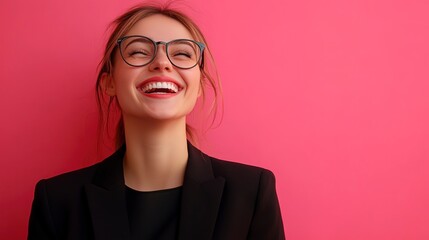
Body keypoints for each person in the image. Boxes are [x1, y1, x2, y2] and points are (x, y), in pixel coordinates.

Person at [28, 3, 285, 240]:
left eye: (182, 53)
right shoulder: (57, 202)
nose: (162, 63)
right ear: (109, 83)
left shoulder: (251, 193)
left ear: (199, 86)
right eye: (139, 51)